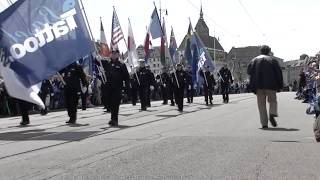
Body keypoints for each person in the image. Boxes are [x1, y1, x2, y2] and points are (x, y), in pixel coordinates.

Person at [247, 45, 283, 129]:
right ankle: (272, 113)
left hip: (258, 85)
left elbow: (249, 72)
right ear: (269, 51)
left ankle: (264, 123)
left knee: (261, 105)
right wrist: (280, 85)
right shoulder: (273, 60)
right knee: (273, 101)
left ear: (260, 51)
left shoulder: (254, 60)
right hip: (271, 85)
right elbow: (278, 73)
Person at [101, 49, 129, 126]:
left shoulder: (121, 65)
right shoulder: (107, 63)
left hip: (117, 88)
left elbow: (126, 77)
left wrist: (127, 88)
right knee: (109, 103)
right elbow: (97, 61)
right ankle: (113, 118)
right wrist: (94, 54)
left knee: (115, 103)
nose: (113, 54)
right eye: (112, 53)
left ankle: (114, 119)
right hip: (108, 87)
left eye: (115, 53)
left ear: (118, 55)